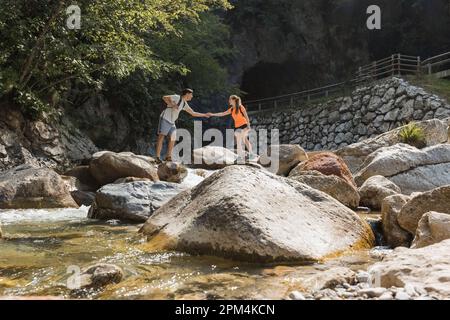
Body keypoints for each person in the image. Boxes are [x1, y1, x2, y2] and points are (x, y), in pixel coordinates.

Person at [156, 88, 210, 163]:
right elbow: (164, 97)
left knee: (173, 138)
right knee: (161, 137)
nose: (192, 96)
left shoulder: (184, 103)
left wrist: (204, 115)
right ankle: (157, 157)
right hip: (165, 118)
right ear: (187, 94)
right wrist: (173, 104)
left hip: (172, 122)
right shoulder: (177, 97)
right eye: (191, 95)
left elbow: (193, 113)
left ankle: (168, 157)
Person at [210, 95, 255, 161]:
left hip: (244, 125)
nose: (229, 101)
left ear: (233, 100)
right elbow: (222, 113)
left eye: (230, 99)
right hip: (237, 126)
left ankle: (247, 155)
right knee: (243, 140)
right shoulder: (231, 109)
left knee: (241, 139)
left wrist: (249, 125)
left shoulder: (240, 107)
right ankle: (245, 155)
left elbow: (246, 116)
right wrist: (213, 114)